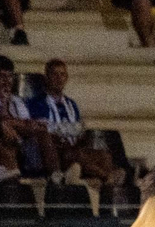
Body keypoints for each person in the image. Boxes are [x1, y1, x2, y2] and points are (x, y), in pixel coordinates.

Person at [26, 58, 122, 188]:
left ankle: (103, 185)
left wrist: (81, 137)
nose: (59, 78)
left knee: (103, 155)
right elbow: (42, 130)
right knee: (73, 155)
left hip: (74, 148)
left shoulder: (71, 104)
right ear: (47, 78)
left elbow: (77, 130)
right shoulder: (36, 103)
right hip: (54, 152)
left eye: (62, 74)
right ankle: (107, 177)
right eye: (55, 74)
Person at [0, 55, 57, 182]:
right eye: (2, 76)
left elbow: (26, 125)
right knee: (5, 139)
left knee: (42, 131)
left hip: (19, 143)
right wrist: (4, 118)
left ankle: (56, 176)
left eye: (10, 76)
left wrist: (7, 111)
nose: (7, 81)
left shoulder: (16, 101)